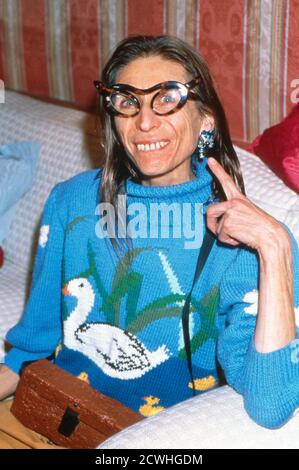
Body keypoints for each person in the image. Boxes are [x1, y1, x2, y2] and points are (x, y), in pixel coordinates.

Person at [0, 35, 299, 448]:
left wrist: (277, 246)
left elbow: (271, 404)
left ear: (205, 120)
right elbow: (29, 349)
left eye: (167, 98)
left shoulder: (246, 241)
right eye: (127, 101)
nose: (144, 121)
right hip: (47, 413)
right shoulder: (72, 201)